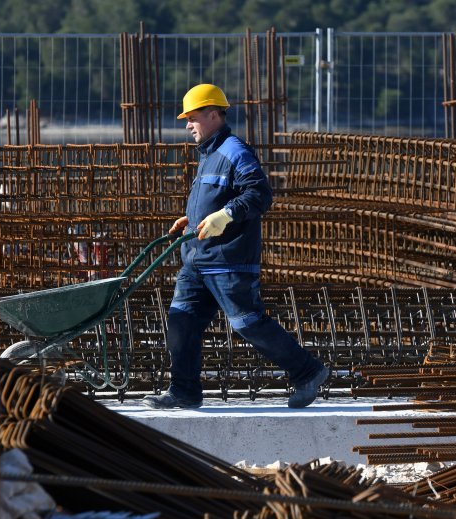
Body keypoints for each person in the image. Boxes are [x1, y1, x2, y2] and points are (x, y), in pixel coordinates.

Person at [141, 83, 329, 410]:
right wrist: (190, 218)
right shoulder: (210, 155)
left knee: (247, 322)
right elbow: (217, 198)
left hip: (229, 261)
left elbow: (259, 195)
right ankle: (183, 391)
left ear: (214, 115)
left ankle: (308, 372)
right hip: (198, 260)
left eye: (193, 117)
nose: (188, 125)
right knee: (181, 322)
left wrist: (226, 216)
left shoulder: (234, 151)